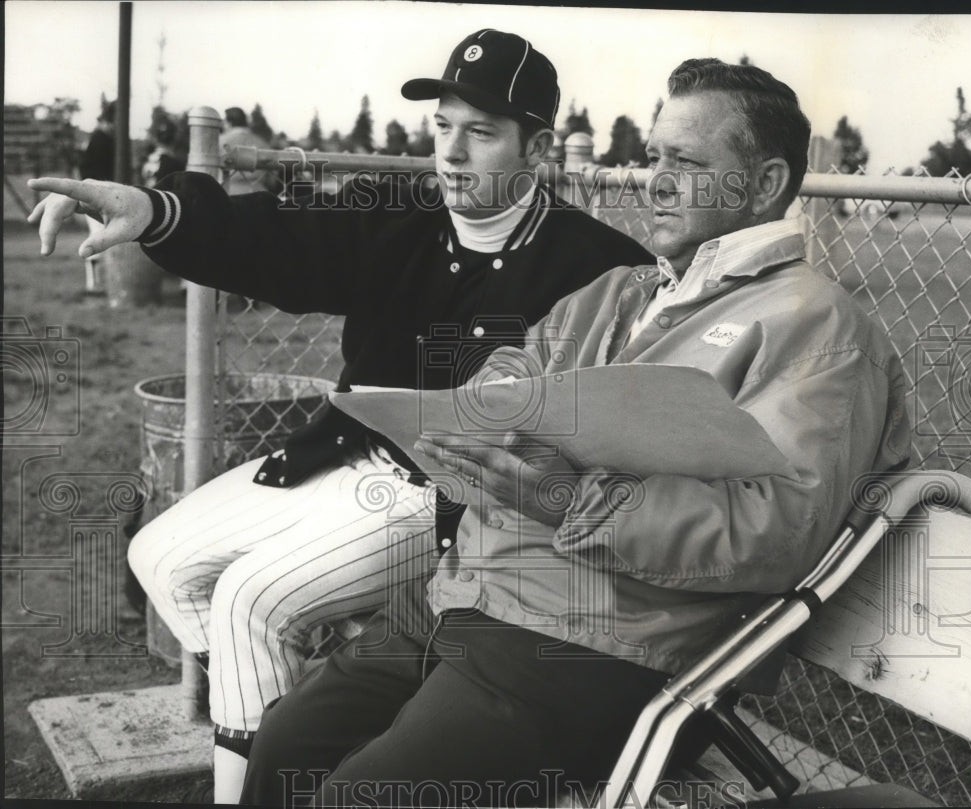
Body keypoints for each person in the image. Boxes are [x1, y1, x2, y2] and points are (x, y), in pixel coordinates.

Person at [226, 57, 908, 806]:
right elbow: (511, 375)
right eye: (654, 156)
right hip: (471, 590)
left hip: (603, 642)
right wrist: (480, 416)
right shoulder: (621, 292)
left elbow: (777, 530)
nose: (657, 179)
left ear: (767, 182)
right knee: (286, 742)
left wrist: (575, 498)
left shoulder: (816, 326)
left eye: (686, 160)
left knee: (359, 796)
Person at [25, 29, 653, 805]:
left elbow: (614, 428)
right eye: (443, 127)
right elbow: (279, 239)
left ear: (537, 148)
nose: (452, 153)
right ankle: (307, 717)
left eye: (482, 132)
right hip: (344, 458)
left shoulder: (595, 263)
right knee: (159, 555)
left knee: (252, 600)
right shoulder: (402, 213)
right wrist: (155, 210)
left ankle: (258, 780)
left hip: (452, 503)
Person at [78, 101, 115, 294]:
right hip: (97, 196)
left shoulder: (101, 138)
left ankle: (99, 283)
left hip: (97, 194)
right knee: (98, 237)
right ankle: (94, 284)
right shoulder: (101, 139)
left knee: (101, 238)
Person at [220, 106, 278, 195]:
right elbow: (272, 180)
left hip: (227, 193)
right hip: (259, 193)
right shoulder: (262, 143)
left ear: (229, 122)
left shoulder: (219, 141)